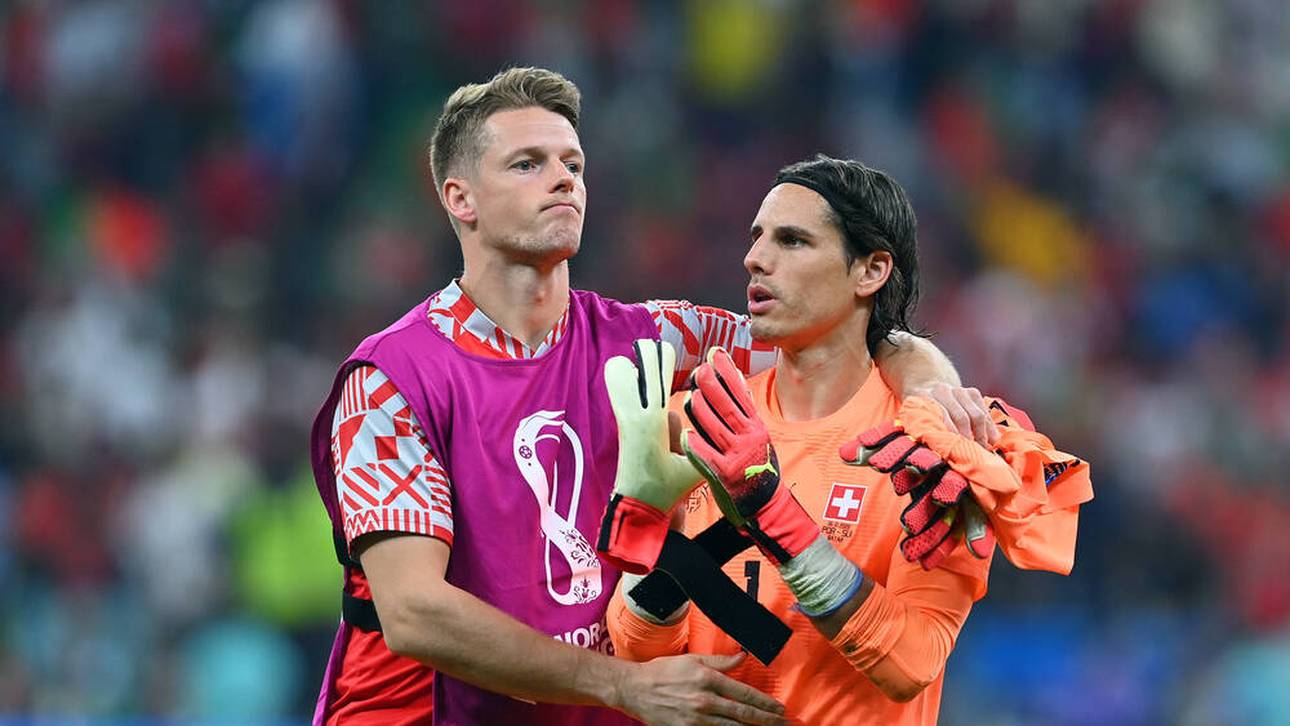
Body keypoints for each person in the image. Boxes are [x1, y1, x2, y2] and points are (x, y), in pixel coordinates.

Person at [308, 67, 980, 725]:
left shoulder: (654, 339)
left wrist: (931, 393)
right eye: (527, 164)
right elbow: (413, 613)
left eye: (572, 162)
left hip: (603, 705)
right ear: (461, 199)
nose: (563, 178)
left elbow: (845, 336)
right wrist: (620, 684)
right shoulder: (393, 378)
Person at [607, 155, 1088, 725]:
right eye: (757, 238)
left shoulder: (934, 448)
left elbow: (911, 662)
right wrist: (657, 552)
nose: (755, 259)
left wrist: (772, 513)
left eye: (792, 241)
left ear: (871, 270)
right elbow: (640, 655)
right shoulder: (698, 418)